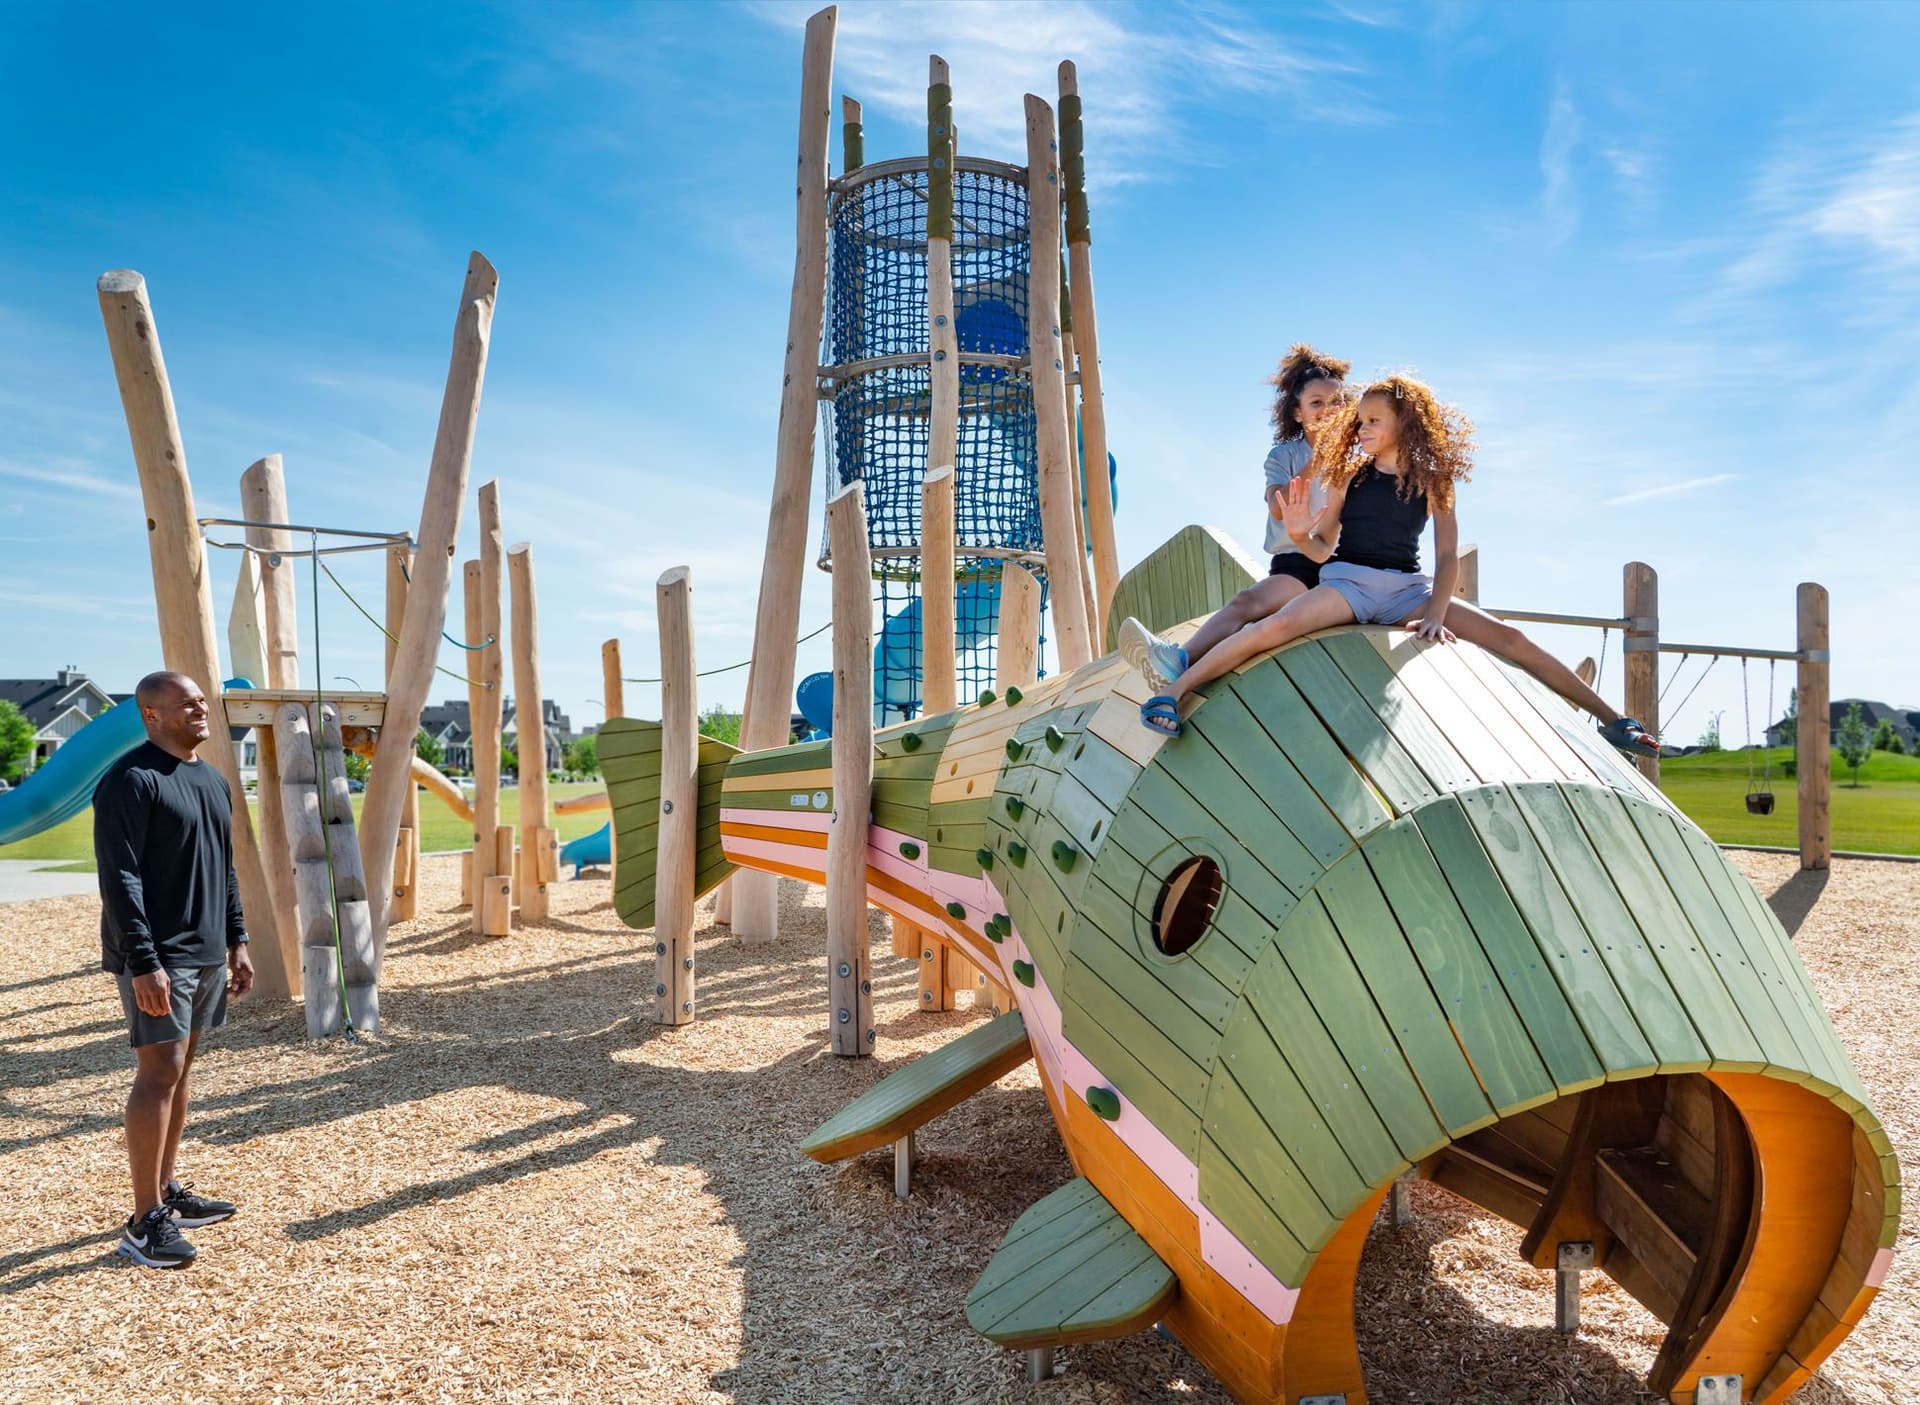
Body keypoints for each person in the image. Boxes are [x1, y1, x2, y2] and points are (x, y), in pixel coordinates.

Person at [1123, 374, 1661, 756]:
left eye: (1372, 420)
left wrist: (1436, 611)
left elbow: (1448, 555)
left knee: (1511, 638)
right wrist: (1297, 535)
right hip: (1348, 585)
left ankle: (1615, 721)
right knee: (1273, 627)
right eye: (1359, 422)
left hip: (1409, 590)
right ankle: (1171, 692)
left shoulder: (1434, 480)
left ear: (1406, 422)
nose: (1360, 429)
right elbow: (1322, 548)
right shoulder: (1350, 477)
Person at [95, 670, 253, 1269]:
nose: (200, 709)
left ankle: (165, 1192)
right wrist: (143, 961)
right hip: (157, 956)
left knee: (180, 1071)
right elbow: (120, 878)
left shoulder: (212, 780)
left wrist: (237, 939)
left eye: (200, 702)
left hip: (206, 950)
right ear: (150, 715)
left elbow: (224, 866)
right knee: (159, 1071)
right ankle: (142, 1223)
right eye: (186, 704)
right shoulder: (129, 781)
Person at [1119, 343, 1349, 689]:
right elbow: (1277, 506)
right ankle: (1179, 661)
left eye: (1335, 403)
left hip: (1340, 564)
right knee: (1247, 604)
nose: (1327, 410)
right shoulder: (1284, 455)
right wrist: (1320, 456)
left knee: (1251, 608)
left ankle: (1180, 664)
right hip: (1296, 562)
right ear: (1298, 413)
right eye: (1316, 403)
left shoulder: (1359, 455)